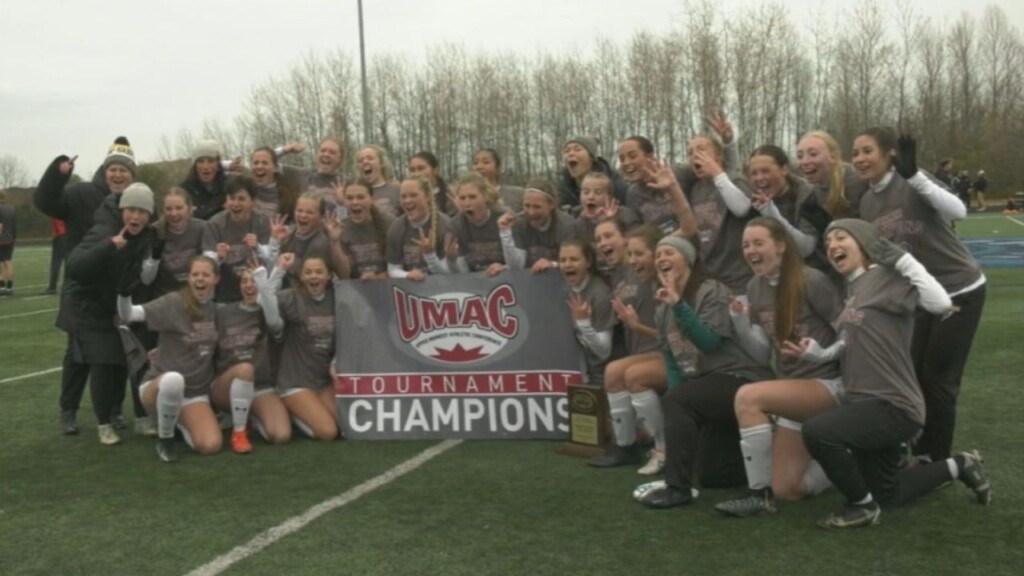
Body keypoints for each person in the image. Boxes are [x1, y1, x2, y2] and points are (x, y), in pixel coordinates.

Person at [797, 219, 991, 529]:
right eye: (828, 240)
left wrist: (904, 260)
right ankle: (960, 465)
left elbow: (940, 303)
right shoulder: (853, 288)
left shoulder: (886, 277)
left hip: (892, 405)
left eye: (841, 237)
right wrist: (819, 354)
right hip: (865, 404)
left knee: (819, 432)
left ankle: (861, 507)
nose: (832, 245)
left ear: (863, 243)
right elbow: (851, 342)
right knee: (888, 493)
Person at [854, 128, 986, 463]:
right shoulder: (867, 202)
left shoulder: (912, 179)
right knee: (909, 373)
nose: (859, 159)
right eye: (855, 153)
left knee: (938, 378)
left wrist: (914, 176)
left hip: (959, 288)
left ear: (890, 155)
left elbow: (958, 210)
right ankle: (910, 446)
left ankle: (935, 460)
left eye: (867, 151)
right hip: (919, 298)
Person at [711, 217, 843, 517]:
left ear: (781, 246)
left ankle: (758, 495)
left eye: (759, 243)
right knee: (790, 488)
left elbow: (849, 334)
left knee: (748, 397)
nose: (751, 250)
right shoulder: (755, 286)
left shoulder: (812, 280)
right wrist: (741, 323)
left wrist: (821, 354)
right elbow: (761, 355)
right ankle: (852, 457)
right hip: (792, 393)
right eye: (746, 245)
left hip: (827, 385)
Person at [637, 236, 772, 509]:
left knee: (678, 399)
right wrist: (677, 404)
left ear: (688, 260)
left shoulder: (711, 290)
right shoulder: (663, 308)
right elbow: (672, 362)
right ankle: (772, 458)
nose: (662, 258)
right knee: (713, 475)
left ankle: (677, 489)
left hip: (739, 376)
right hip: (705, 387)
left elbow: (709, 342)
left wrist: (679, 305)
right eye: (658, 253)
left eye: (669, 252)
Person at [34, 137, 137, 435]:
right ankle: (69, 410)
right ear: (104, 170)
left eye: (124, 170)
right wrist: (58, 173)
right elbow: (44, 202)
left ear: (133, 175)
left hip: (115, 291)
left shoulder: (135, 201)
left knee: (118, 352)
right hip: (81, 290)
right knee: (77, 354)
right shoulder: (79, 194)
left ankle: (115, 409)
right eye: (113, 169)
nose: (118, 175)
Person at [118, 255, 252, 461]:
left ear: (216, 279)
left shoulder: (216, 311)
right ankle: (165, 439)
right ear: (188, 278)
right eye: (195, 274)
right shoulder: (173, 302)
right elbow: (130, 315)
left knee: (211, 445)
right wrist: (124, 295)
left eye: (205, 274)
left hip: (194, 394)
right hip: (159, 386)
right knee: (174, 380)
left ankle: (179, 423)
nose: (200, 279)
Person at [65, 183, 156, 445]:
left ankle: (142, 418)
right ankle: (103, 423)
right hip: (96, 308)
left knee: (140, 363)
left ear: (149, 215)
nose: (135, 216)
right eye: (130, 210)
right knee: (103, 365)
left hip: (128, 308)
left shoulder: (149, 236)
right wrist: (107, 246)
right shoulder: (104, 230)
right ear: (121, 210)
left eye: (141, 211)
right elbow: (74, 267)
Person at [588, 223, 668, 474]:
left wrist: (636, 325)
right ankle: (625, 446)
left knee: (634, 376)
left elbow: (672, 336)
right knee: (613, 371)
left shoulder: (660, 277)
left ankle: (663, 449)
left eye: (609, 236)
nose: (603, 242)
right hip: (645, 351)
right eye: (598, 238)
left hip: (668, 351)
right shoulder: (617, 274)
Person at [254, 253, 341, 441]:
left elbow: (347, 336)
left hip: (323, 380)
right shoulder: (292, 297)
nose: (313, 276)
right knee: (328, 432)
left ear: (328, 276)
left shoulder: (337, 298)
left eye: (319, 272)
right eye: (308, 272)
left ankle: (307, 410)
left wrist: (336, 362)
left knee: (346, 426)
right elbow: (263, 300)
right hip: (296, 381)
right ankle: (291, 414)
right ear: (301, 276)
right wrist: (278, 271)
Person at [215, 267, 291, 445]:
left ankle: (251, 416)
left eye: (254, 281)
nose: (249, 285)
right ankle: (239, 432)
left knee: (281, 435)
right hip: (226, 386)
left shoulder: (271, 315)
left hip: (261, 387)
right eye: (244, 281)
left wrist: (266, 283)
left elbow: (275, 324)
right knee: (244, 370)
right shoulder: (223, 313)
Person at [685, 134, 755, 295]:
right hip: (709, 278)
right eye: (690, 152)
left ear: (718, 156)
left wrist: (717, 173)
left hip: (738, 277)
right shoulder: (695, 189)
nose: (694, 155)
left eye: (701, 149)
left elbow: (742, 208)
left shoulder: (734, 179)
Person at [747, 145, 831, 273]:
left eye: (765, 171)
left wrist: (769, 211)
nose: (759, 178)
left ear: (784, 169)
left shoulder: (808, 196)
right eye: (754, 173)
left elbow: (805, 248)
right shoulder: (756, 198)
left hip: (814, 275)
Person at [202, 175, 273, 302]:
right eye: (232, 198)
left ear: (252, 202)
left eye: (241, 199)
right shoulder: (214, 224)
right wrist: (218, 257)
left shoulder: (262, 222)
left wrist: (258, 247)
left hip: (256, 288)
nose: (235, 204)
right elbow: (206, 266)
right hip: (225, 290)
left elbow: (272, 260)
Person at [558, 239, 617, 389]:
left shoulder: (600, 293)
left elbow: (604, 352)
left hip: (605, 376)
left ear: (588, 262)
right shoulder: (565, 290)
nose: (567, 264)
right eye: (563, 260)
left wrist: (583, 323)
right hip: (579, 374)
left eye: (574, 259)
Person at [499, 179, 576, 273]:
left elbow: (575, 263)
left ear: (551, 205)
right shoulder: (519, 222)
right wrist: (505, 233)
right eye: (527, 206)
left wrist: (553, 264)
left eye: (537, 207)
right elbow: (517, 267)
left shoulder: (566, 224)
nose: (531, 213)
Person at [386, 177, 452, 280]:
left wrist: (430, 255)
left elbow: (448, 273)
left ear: (427, 197)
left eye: (413, 195)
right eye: (403, 196)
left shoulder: (445, 224)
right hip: (410, 289)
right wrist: (407, 275)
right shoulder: (396, 227)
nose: (407, 200)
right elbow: (393, 269)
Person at [796, 130, 867, 219]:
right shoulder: (810, 195)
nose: (804, 161)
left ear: (833, 157)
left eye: (813, 154)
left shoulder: (857, 183)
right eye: (800, 156)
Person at [448, 172, 508, 275]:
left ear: (485, 196)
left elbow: (521, 264)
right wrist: (452, 260)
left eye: (472, 197)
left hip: (505, 278)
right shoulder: (456, 224)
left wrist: (505, 268)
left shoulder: (503, 217)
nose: (467, 203)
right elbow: (462, 273)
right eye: (462, 198)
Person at [338, 179, 392, 280]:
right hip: (355, 290)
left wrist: (378, 277)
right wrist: (334, 242)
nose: (355, 202)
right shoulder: (340, 229)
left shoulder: (389, 224)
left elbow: (399, 268)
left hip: (388, 287)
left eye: (360, 197)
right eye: (349, 198)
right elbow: (342, 275)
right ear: (344, 201)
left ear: (372, 199)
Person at [557, 136, 628, 208]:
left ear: (591, 157)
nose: (570, 153)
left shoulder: (616, 185)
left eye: (577, 149)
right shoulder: (563, 190)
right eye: (567, 151)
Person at [574, 171, 638, 248]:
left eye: (598, 193)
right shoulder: (580, 223)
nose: (590, 197)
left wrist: (611, 220)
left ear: (610, 197)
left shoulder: (626, 215)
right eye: (586, 192)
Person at [179, 139, 231, 221]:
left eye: (210, 161)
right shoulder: (184, 191)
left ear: (218, 165)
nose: (205, 167)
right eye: (200, 161)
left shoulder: (230, 188)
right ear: (195, 166)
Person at [250, 147, 299, 222]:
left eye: (264, 163)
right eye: (256, 163)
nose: (259, 166)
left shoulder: (288, 197)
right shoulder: (246, 191)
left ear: (276, 168)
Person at [355, 145, 402, 219]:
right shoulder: (354, 194)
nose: (365, 161)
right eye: (360, 160)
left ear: (382, 163)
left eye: (370, 158)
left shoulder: (397, 190)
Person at [408, 151, 455, 216]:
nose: (416, 173)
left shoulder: (449, 195)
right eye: (412, 170)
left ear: (434, 170)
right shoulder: (406, 196)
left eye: (421, 168)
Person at [44, 218, 66, 295]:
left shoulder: (58, 212)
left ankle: (52, 287)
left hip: (60, 236)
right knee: (69, 261)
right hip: (69, 236)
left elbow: (58, 228)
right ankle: (67, 286)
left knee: (56, 263)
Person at [0, 190, 16, 296]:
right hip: (10, 238)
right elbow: (15, 226)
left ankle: (1, 285)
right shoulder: (11, 209)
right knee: (8, 262)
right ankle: (9, 287)